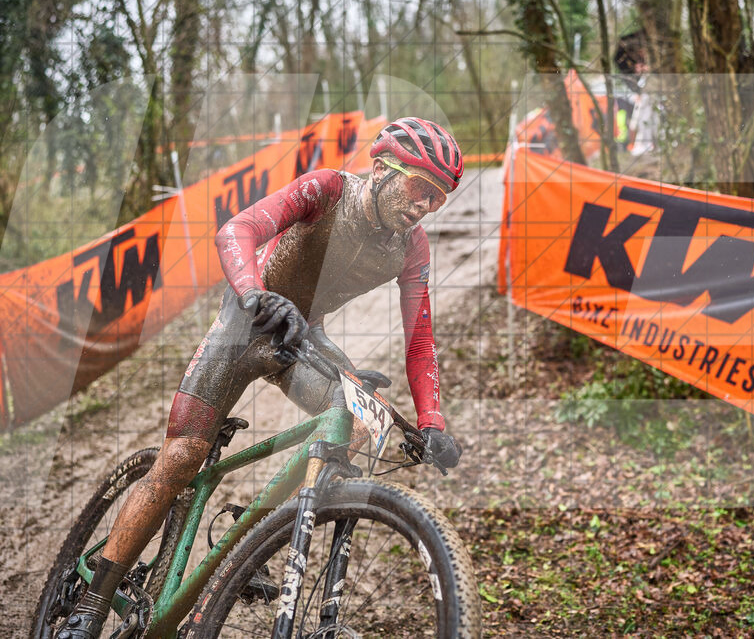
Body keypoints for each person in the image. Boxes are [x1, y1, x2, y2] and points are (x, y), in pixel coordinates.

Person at [56, 117, 465, 638]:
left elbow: (420, 340)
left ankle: (253, 527)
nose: (425, 205)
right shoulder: (329, 189)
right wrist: (254, 293)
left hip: (300, 337)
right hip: (245, 323)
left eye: (439, 199)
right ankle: (88, 608)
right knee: (182, 456)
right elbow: (238, 229)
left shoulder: (412, 247)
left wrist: (431, 420)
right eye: (420, 188)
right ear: (385, 168)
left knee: (357, 422)